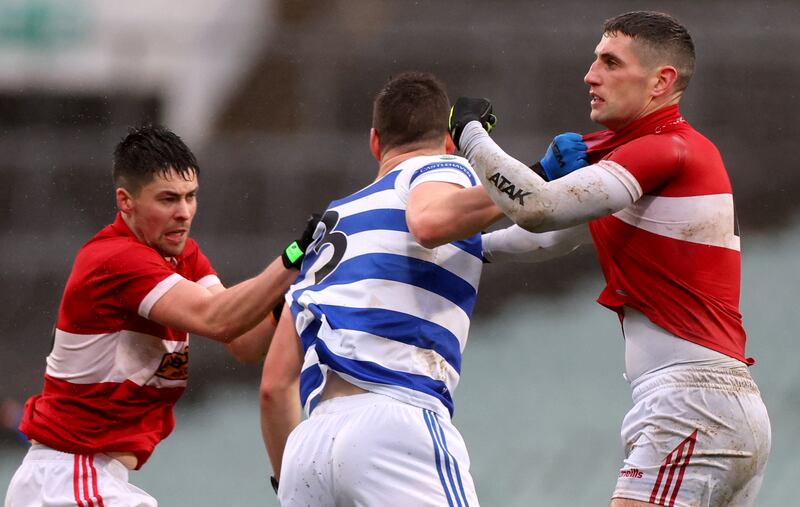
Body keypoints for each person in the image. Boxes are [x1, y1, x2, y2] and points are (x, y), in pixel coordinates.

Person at [449, 10, 771, 507]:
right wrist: (464, 249)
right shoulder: (643, 155)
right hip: (715, 405)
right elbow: (550, 236)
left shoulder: (665, 149)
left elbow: (536, 208)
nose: (589, 75)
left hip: (691, 405)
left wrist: (470, 133)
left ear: (661, 82)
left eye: (610, 62)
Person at [258, 71, 588, 506]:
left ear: (375, 142)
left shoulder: (329, 227)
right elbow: (430, 223)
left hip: (308, 449)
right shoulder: (438, 167)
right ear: (449, 142)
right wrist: (532, 174)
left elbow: (273, 386)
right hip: (393, 420)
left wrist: (293, 479)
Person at [4, 125, 318, 507]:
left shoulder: (182, 256)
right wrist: (295, 258)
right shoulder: (116, 259)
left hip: (90, 479)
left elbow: (242, 342)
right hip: (68, 478)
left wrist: (301, 287)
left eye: (190, 197)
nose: (183, 213)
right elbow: (218, 318)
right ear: (126, 201)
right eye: (168, 199)